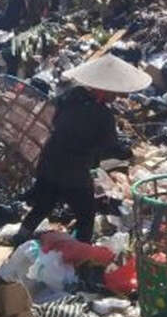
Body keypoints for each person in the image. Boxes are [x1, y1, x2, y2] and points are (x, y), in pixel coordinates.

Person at [16, 54, 150, 244]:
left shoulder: (70, 96)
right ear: (104, 88)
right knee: (86, 215)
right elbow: (109, 148)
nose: (116, 96)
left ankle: (19, 238)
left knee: (43, 206)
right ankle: (82, 256)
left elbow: (54, 119)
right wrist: (130, 153)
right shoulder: (102, 115)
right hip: (74, 171)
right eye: (113, 92)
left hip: (49, 161)